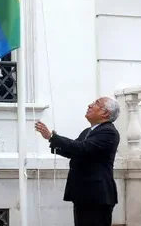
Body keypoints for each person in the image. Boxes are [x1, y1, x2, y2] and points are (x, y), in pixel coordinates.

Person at [34, 96, 121, 226]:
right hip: (83, 193)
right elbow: (74, 151)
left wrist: (53, 137)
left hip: (97, 195)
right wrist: (51, 139)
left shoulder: (109, 132)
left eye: (96, 103)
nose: (90, 105)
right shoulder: (88, 131)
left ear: (105, 113)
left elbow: (82, 148)